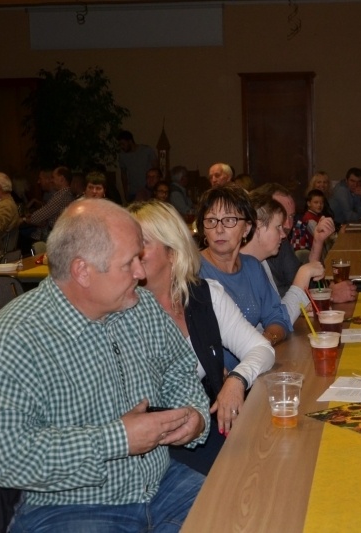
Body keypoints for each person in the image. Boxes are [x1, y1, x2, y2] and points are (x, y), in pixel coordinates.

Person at [0, 199, 210, 531]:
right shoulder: (14, 338)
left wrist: (192, 415)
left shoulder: (142, 307)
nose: (141, 273)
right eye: (129, 263)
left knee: (247, 513)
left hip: (162, 484)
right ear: (82, 271)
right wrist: (117, 439)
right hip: (70, 506)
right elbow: (3, 455)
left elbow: (177, 368)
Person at [128, 200, 274, 475]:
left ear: (173, 252)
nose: (129, 255)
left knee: (268, 461)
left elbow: (261, 348)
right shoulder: (122, 307)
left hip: (202, 429)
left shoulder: (205, 295)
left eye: (141, 244)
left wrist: (236, 380)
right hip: (154, 447)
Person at [196, 185, 291, 370]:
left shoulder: (252, 267)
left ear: (247, 228)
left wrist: (261, 344)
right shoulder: (193, 271)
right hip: (213, 381)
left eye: (229, 220)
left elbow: (278, 317)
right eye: (211, 220)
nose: (219, 229)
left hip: (253, 370)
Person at [254, 183, 356, 304]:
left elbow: (304, 284)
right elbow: (276, 300)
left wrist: (318, 242)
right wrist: (328, 294)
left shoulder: (282, 243)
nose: (287, 225)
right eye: (281, 217)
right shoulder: (248, 256)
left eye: (291, 216)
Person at [242, 192, 325, 325]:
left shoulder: (260, 262)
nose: (282, 234)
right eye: (278, 227)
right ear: (257, 228)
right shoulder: (239, 269)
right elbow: (275, 322)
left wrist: (298, 307)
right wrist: (303, 276)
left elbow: (274, 312)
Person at [21, 165, 75, 243]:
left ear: (62, 179)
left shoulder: (61, 196)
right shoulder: (66, 194)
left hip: (54, 238)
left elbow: (39, 216)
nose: (51, 181)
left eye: (53, 177)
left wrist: (25, 219)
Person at [118, 130, 158, 201]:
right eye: (120, 145)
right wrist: (126, 192)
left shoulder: (146, 151)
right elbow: (124, 175)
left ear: (130, 141)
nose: (122, 147)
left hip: (148, 191)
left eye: (123, 144)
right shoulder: (122, 156)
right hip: (133, 192)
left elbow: (157, 169)